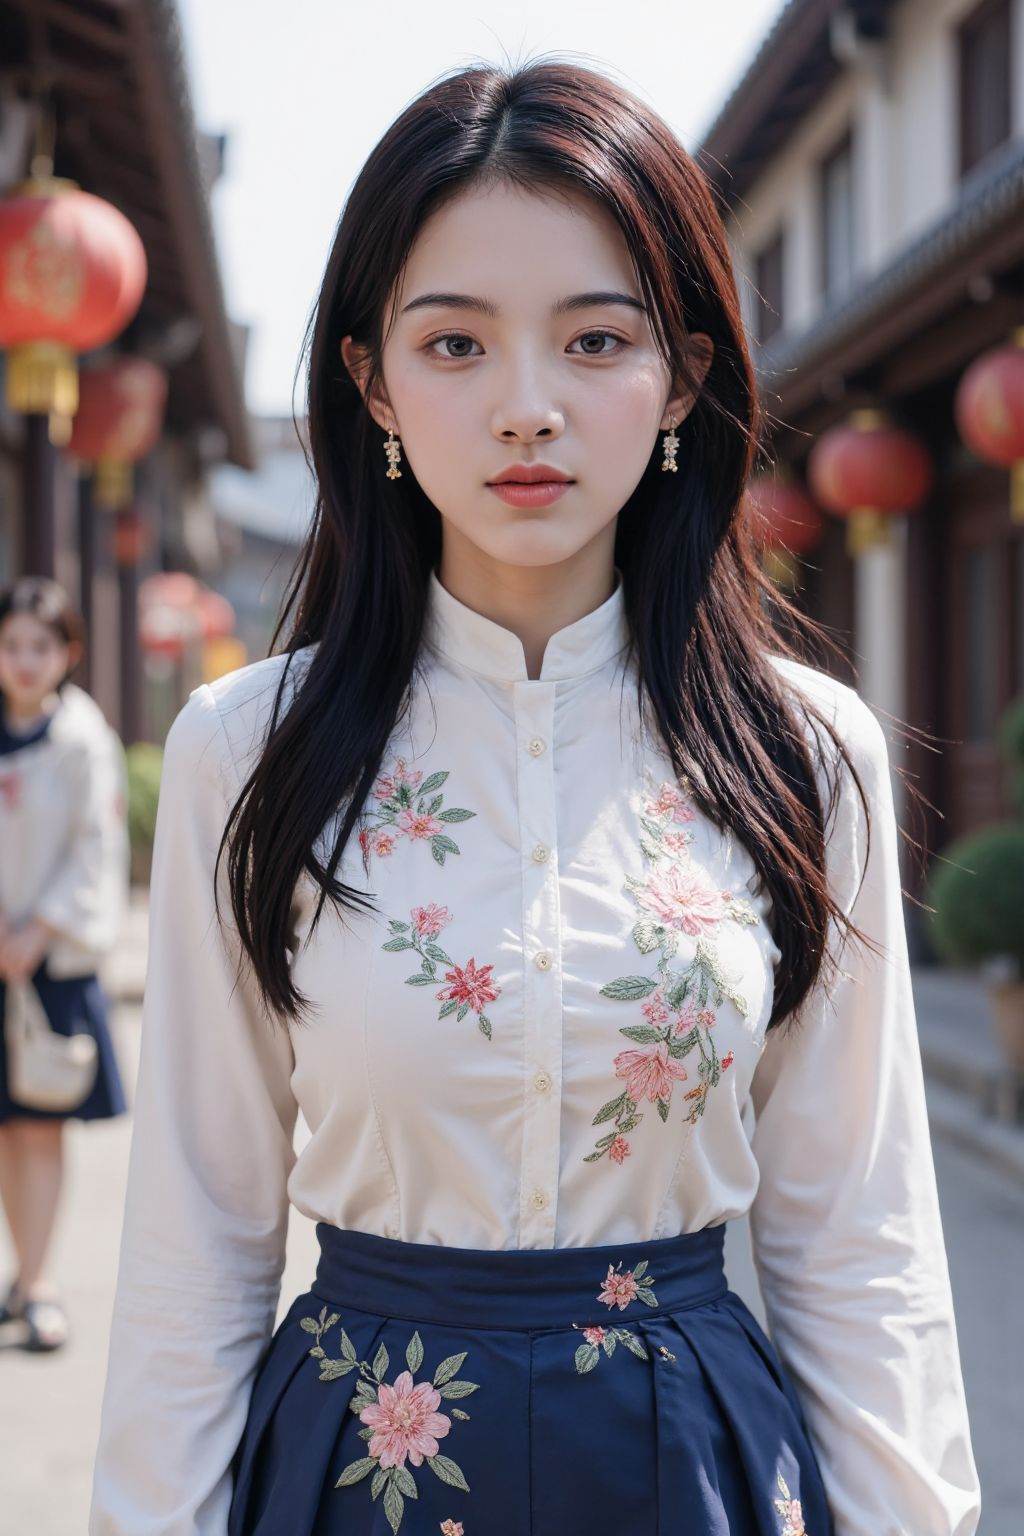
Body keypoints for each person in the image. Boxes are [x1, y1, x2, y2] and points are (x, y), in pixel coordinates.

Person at [88, 56, 981, 1536]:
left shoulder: (802, 752)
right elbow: (198, 1233)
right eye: (454, 345)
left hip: (684, 1463)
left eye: (594, 339)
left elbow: (858, 1233)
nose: (527, 408)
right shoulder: (247, 751)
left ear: (681, 376)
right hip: (359, 1469)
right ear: (370, 378)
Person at [0, 575, 129, 1353]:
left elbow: (96, 847)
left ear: (67, 655)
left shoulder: (82, 739)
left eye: (39, 647)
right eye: (11, 644)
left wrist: (37, 932)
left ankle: (39, 1282)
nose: (23, 660)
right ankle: (20, 1275)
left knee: (40, 1126)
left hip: (49, 965)